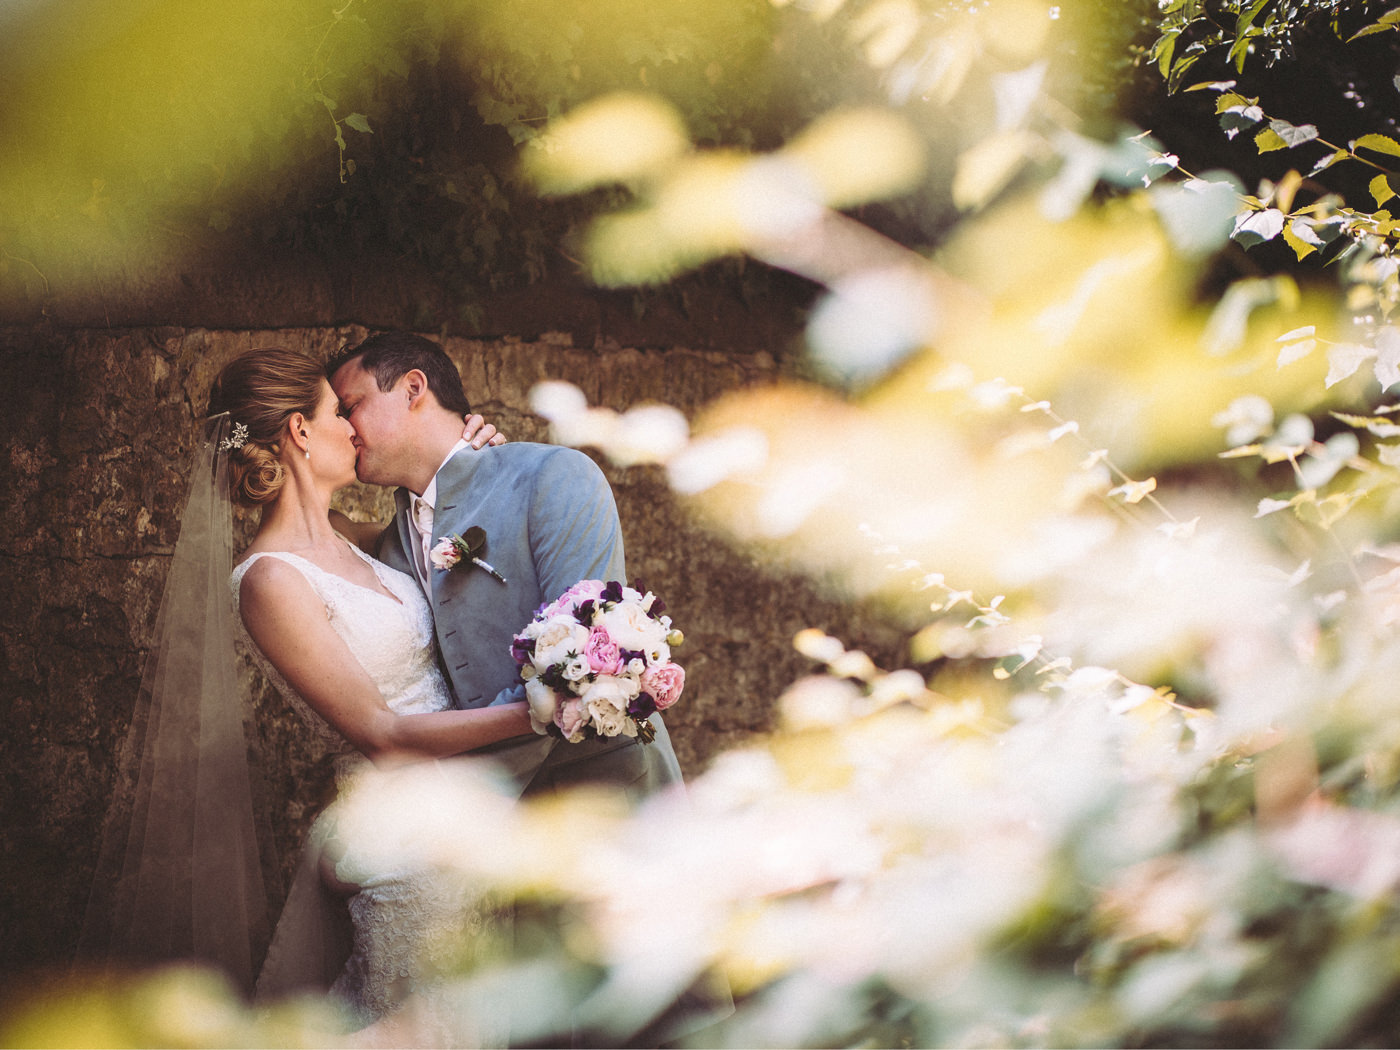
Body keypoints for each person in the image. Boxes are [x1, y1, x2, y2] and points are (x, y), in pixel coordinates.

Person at [81, 347, 530, 1038]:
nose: (357, 428)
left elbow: (445, 543)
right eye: (340, 412)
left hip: (466, 821)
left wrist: (463, 459)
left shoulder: (354, 539)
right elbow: (382, 732)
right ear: (298, 432)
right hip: (402, 839)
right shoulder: (269, 581)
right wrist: (539, 713)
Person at [328, 331, 685, 800]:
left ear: (414, 388)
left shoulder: (553, 477)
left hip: (606, 795)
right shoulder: (388, 548)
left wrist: (456, 793)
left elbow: (584, 666)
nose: (344, 429)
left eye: (350, 406)